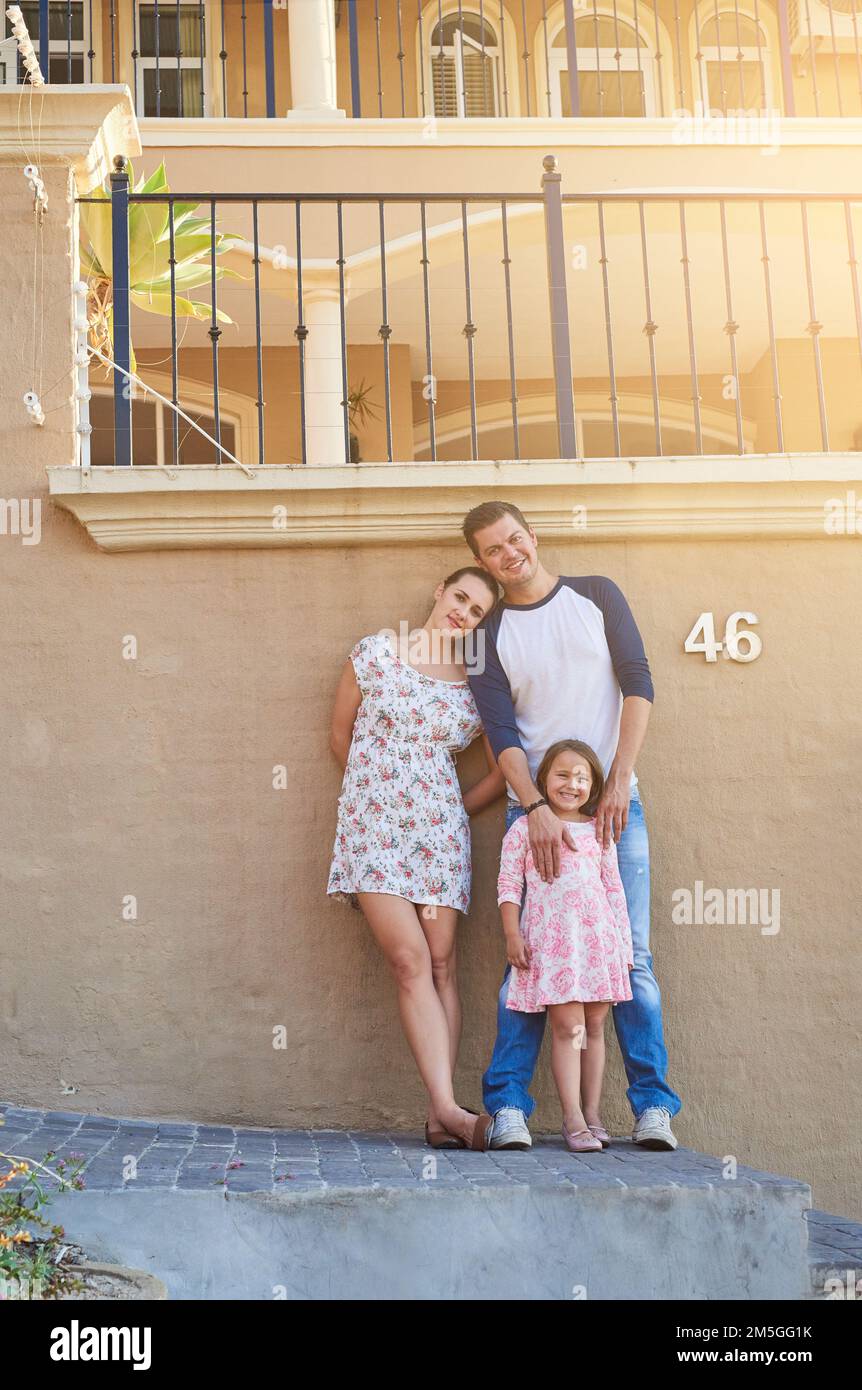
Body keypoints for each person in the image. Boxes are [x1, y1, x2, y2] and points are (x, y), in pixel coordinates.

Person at [463, 499, 681, 1151]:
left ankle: (652, 1107)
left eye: (515, 539)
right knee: (529, 963)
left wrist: (618, 781)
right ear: (482, 561)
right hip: (534, 816)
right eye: (493, 550)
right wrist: (532, 809)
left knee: (632, 956)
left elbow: (638, 683)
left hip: (614, 807)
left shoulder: (597, 596)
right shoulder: (488, 634)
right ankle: (506, 1106)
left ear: (534, 536)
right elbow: (500, 733)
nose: (510, 554)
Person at [327, 566, 507, 1151]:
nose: (464, 612)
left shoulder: (475, 686)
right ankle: (451, 1111)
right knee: (408, 959)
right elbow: (339, 737)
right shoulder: (376, 652)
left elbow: (504, 767)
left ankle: (440, 1113)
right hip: (374, 834)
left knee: (441, 963)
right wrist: (377, 794)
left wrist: (454, 805)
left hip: (439, 839)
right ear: (438, 592)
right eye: (460, 597)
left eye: (477, 611)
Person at [497, 739, 633, 1154]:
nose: (571, 783)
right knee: (569, 1028)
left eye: (582, 777)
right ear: (543, 779)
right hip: (555, 945)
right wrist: (512, 934)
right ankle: (572, 1117)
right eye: (562, 774)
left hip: (597, 943)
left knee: (594, 1029)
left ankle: (593, 1114)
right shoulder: (524, 828)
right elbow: (508, 886)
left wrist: (622, 948)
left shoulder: (599, 832)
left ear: (593, 786)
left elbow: (614, 891)